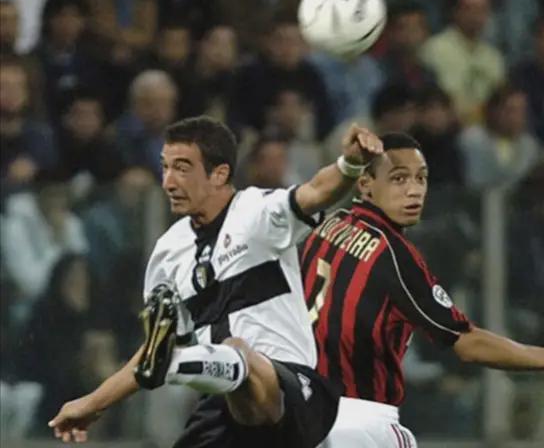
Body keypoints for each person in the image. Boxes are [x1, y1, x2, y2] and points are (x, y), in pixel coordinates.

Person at [48, 116, 383, 447]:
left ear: (219, 173)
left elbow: (317, 191)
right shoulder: (167, 254)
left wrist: (351, 164)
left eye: (182, 168)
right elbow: (153, 354)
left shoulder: (256, 213)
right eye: (165, 168)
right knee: (213, 361)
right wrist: (92, 403)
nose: (168, 182)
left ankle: (180, 367)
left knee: (238, 351)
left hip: (291, 391)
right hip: (221, 404)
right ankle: (184, 366)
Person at [300, 133, 544, 447]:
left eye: (421, 178)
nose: (414, 190)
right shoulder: (394, 254)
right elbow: (467, 342)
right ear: (366, 184)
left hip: (305, 410)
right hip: (360, 420)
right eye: (398, 178)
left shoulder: (327, 226)